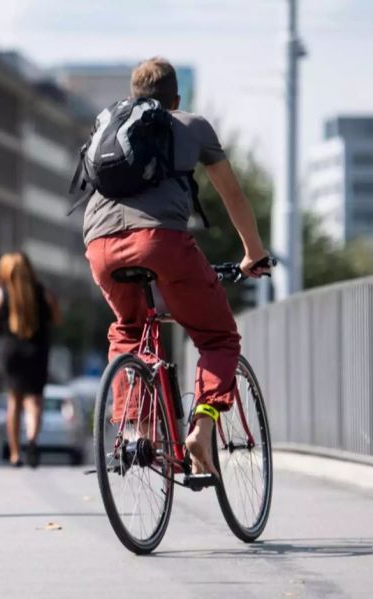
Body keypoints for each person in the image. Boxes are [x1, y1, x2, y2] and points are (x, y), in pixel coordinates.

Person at [82, 58, 270, 478]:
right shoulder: (193, 125)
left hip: (98, 245)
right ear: (176, 98)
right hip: (161, 242)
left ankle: (140, 431)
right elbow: (234, 197)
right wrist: (253, 253)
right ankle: (201, 429)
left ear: (134, 96)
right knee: (218, 337)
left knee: (129, 330)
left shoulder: (109, 126)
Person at [0, 252, 61, 468]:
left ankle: (15, 453)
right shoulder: (43, 291)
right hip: (37, 349)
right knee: (34, 401)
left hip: (12, 350)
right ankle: (32, 442)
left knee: (14, 402)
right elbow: (57, 318)